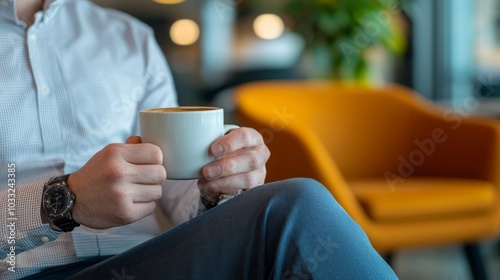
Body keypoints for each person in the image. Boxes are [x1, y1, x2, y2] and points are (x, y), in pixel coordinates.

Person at [0, 0, 398, 279]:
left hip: (148, 262)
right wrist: (63, 201)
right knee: (296, 207)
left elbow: (178, 195)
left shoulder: (129, 38)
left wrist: (217, 188)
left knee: (291, 213)